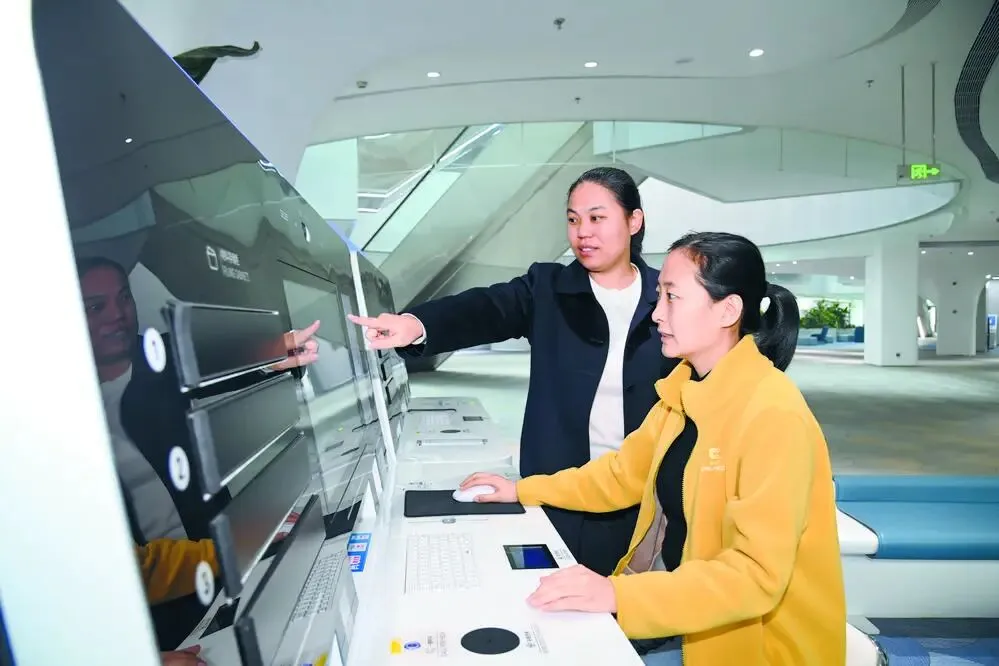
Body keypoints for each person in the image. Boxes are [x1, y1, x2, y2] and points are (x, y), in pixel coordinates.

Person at [459, 232, 846, 665]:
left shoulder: (772, 414)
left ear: (728, 310)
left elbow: (756, 576)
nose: (657, 313)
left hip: (753, 647)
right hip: (685, 614)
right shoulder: (683, 390)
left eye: (672, 297)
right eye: (658, 295)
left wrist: (617, 594)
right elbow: (621, 475)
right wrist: (522, 489)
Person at [349, 167, 679, 576]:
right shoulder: (548, 287)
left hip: (639, 496)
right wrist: (415, 324)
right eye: (573, 219)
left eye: (597, 218)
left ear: (633, 221)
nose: (582, 233)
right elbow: (486, 308)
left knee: (624, 599)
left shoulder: (667, 298)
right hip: (556, 490)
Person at [77, 256, 319, 543]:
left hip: (214, 552)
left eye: (124, 297)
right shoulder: (61, 407)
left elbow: (219, 355)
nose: (117, 314)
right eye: (96, 307)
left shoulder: (159, 357)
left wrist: (271, 351)